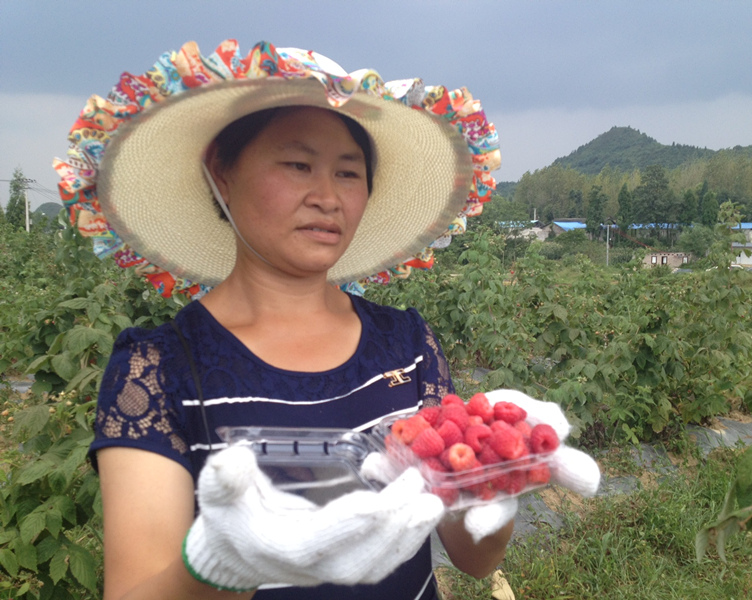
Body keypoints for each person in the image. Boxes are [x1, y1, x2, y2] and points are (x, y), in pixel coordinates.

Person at [54, 40, 510, 600]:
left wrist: (493, 495)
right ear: (221, 174)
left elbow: (473, 558)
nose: (327, 197)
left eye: (349, 173)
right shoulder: (160, 371)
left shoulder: (406, 345)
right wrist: (222, 564)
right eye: (298, 165)